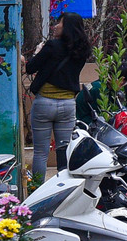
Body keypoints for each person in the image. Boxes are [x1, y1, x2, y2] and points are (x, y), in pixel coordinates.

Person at [26, 13, 92, 178]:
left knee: (41, 152)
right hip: (68, 105)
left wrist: (38, 52)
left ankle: (37, 189)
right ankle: (63, 190)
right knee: (64, 150)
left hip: (44, 104)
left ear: (67, 27)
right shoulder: (82, 50)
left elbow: (30, 68)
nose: (55, 26)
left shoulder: (52, 46)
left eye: (59, 23)